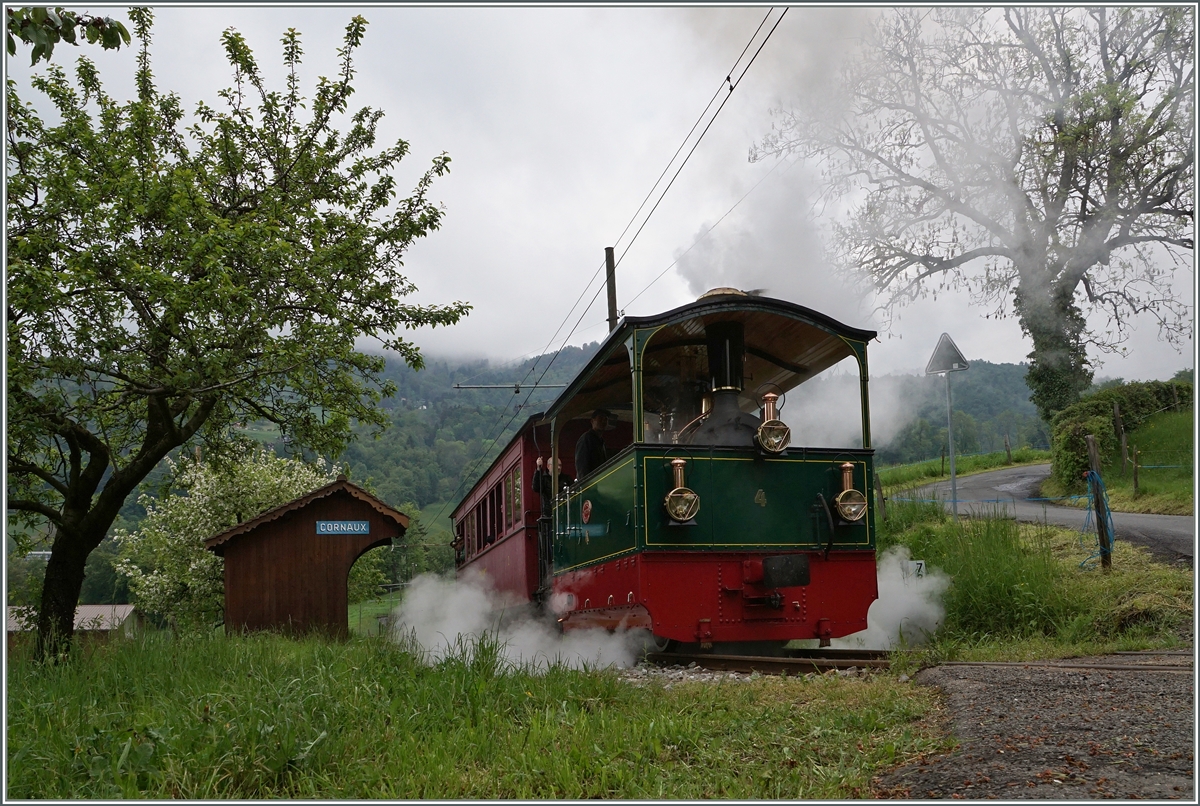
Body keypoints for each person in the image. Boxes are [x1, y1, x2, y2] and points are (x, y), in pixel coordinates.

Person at [574, 408, 612, 480]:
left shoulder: (601, 441)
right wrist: (586, 484)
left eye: (605, 419)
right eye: (600, 418)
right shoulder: (586, 439)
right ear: (592, 421)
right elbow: (582, 465)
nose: (603, 421)